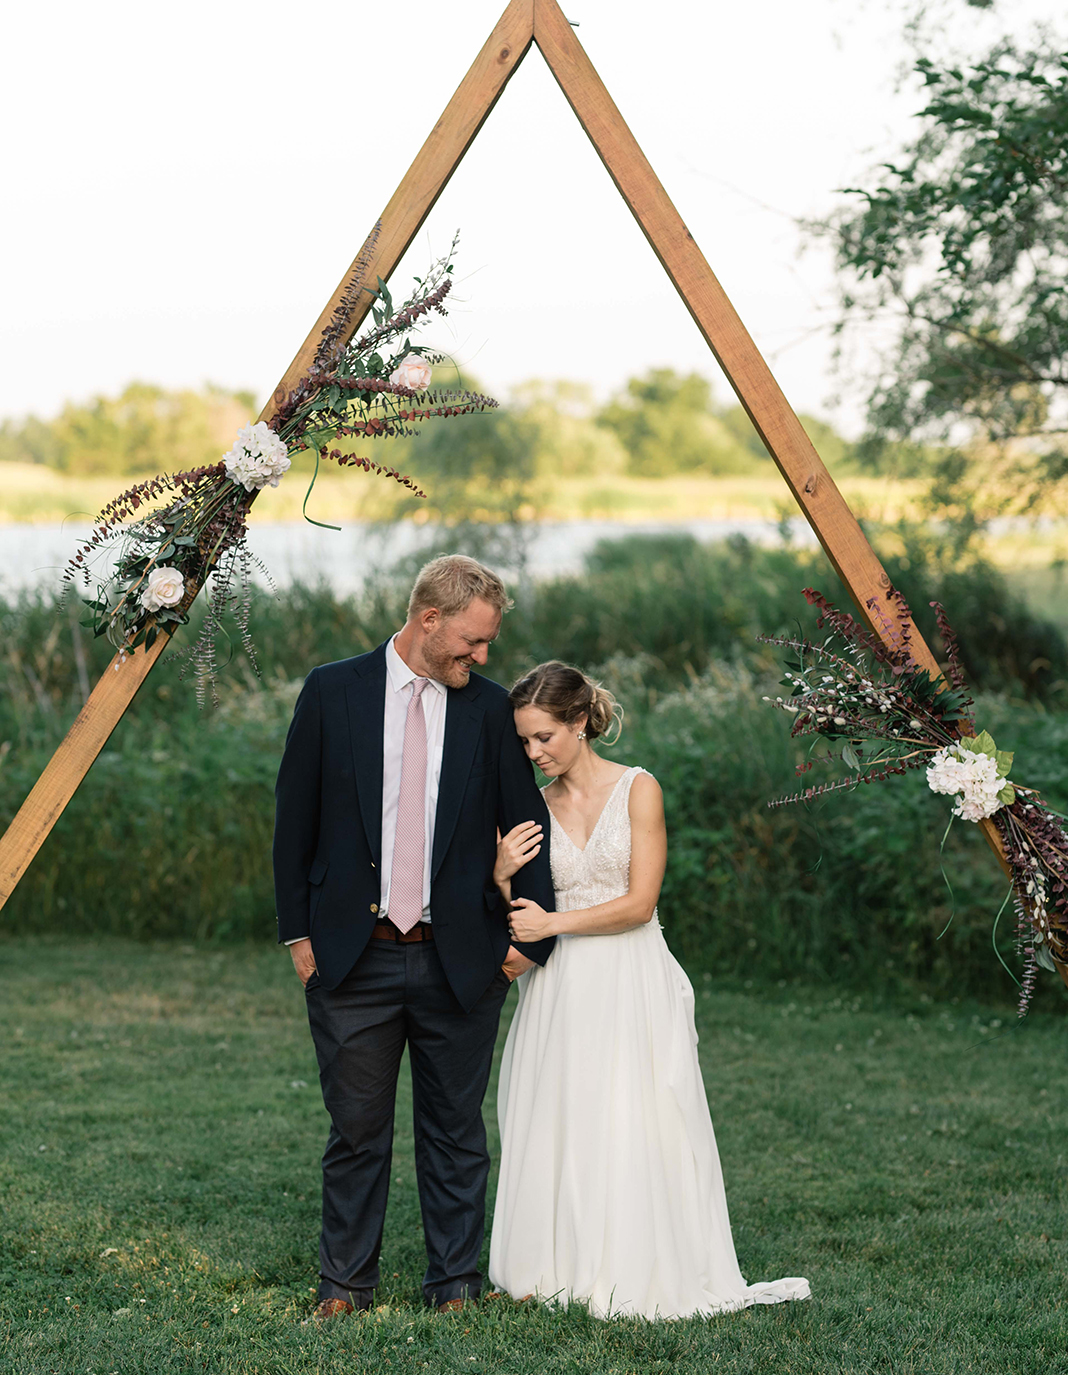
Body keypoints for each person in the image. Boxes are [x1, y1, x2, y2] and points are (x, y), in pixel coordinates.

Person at [273, 555, 556, 1319]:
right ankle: (344, 1286)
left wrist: (526, 945)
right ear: (428, 620)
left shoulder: (491, 710)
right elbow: (292, 819)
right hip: (349, 959)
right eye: (473, 641)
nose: (483, 657)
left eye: (488, 644)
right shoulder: (333, 691)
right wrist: (299, 937)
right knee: (357, 1132)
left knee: (456, 1133)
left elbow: (529, 823)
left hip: (462, 958)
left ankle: (454, 1284)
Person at [489, 660, 809, 1320]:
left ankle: (639, 1263)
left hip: (630, 976)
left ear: (580, 723)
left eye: (544, 736)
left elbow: (639, 904)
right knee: (561, 1116)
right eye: (524, 741)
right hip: (558, 988)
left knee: (636, 1116)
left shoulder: (639, 789)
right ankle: (557, 1265)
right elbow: (519, 912)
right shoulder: (532, 808)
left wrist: (557, 922)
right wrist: (499, 877)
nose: (534, 752)